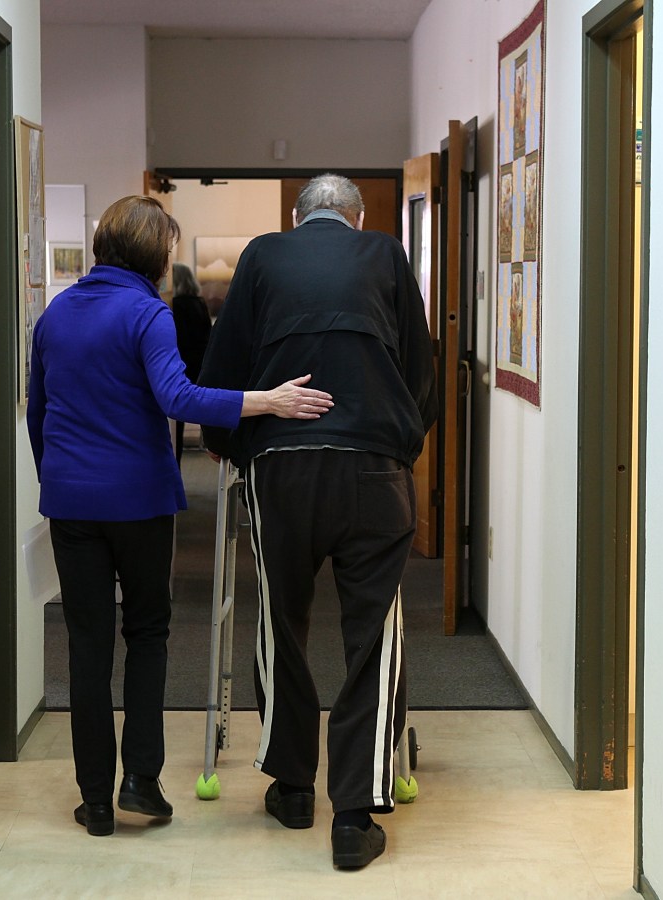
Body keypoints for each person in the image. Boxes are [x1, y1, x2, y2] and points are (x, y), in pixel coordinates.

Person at [26, 195, 334, 837]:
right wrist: (266, 401)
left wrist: (59, 474)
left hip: (71, 501)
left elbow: (39, 409)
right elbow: (178, 398)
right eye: (168, 247)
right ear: (153, 254)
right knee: (146, 634)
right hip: (137, 500)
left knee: (86, 648)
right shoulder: (147, 314)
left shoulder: (55, 314)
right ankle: (141, 780)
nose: (172, 260)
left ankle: (95, 801)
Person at [198, 174, 437, 869]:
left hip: (284, 470)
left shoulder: (262, 257)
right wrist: (395, 441)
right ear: (355, 219)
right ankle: (355, 817)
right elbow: (420, 374)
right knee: (373, 635)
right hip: (374, 470)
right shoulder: (387, 254)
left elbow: (222, 375)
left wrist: (245, 448)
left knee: (282, 620)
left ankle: (294, 786)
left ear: (296, 218)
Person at [168, 262, 213, 463]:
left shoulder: (175, 306)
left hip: (179, 368)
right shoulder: (199, 302)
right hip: (198, 368)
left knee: (173, 426)